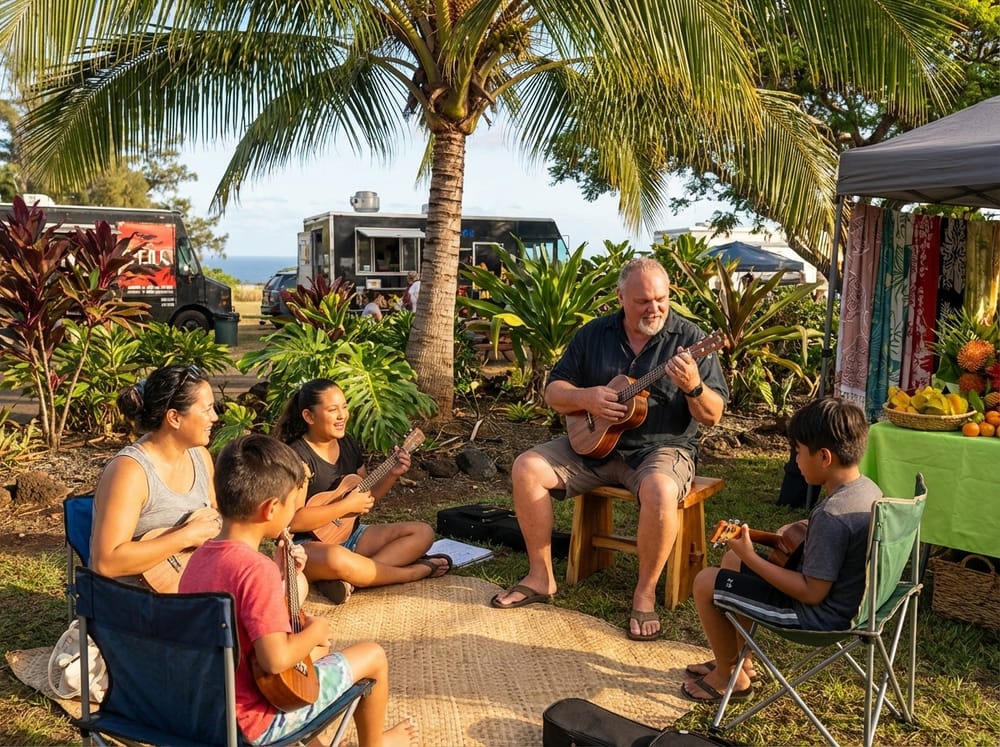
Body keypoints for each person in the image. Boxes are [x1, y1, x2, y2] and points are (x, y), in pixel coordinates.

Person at [490, 257, 728, 642]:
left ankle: (645, 594)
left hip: (660, 449)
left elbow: (713, 415)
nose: (654, 308)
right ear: (620, 297)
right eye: (642, 301)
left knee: (660, 490)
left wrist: (694, 387)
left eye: (661, 299)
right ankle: (541, 576)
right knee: (527, 467)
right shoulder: (593, 335)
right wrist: (588, 398)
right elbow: (554, 392)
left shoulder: (690, 341)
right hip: (593, 445)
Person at [179, 435, 419, 747]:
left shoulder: (200, 557)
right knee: (371, 656)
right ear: (270, 509)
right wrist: (317, 628)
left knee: (313, 660)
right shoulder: (255, 569)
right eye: (293, 504)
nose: (295, 513)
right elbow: (275, 661)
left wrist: (280, 576)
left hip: (205, 713)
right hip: (254, 722)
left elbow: (244, 620)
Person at [681, 397, 878, 703]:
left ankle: (729, 676)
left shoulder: (832, 515)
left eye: (798, 453)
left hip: (819, 617)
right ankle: (740, 660)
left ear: (824, 457)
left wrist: (750, 557)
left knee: (706, 581)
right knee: (731, 559)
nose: (796, 461)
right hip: (857, 603)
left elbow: (810, 593)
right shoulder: (866, 490)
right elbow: (825, 546)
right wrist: (769, 538)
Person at [274, 379, 450, 604]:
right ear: (309, 416)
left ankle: (352, 579)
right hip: (305, 546)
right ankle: (415, 572)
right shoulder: (297, 457)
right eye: (332, 410)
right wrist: (345, 506)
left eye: (345, 407)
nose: (342, 415)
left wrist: (393, 473)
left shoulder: (348, 443)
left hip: (352, 535)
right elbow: (291, 522)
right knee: (336, 558)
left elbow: (367, 496)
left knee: (423, 533)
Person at [90, 364, 222, 587]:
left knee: (284, 584)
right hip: (137, 601)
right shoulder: (130, 472)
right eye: (207, 409)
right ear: (174, 418)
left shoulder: (200, 456)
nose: (215, 417)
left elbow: (215, 518)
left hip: (190, 586)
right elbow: (105, 563)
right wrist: (185, 536)